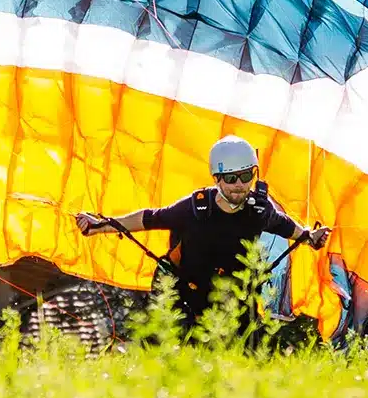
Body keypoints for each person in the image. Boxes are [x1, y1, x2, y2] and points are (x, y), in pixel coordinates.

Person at [75, 135, 331, 325]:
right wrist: (99, 225)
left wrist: (311, 237)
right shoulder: (196, 208)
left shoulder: (260, 211)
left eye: (246, 176)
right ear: (216, 179)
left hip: (234, 303)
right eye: (230, 178)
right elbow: (149, 218)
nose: (239, 185)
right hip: (186, 297)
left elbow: (289, 228)